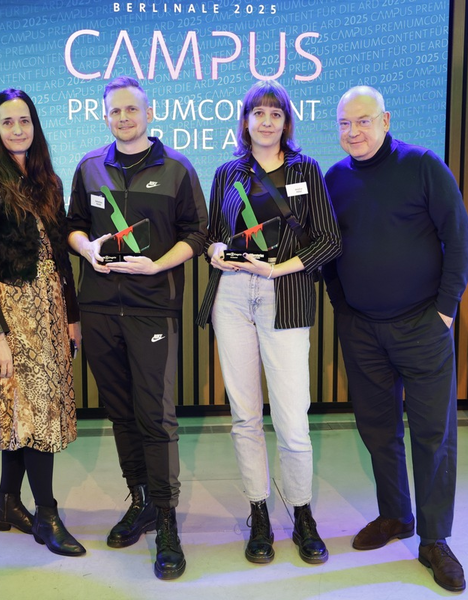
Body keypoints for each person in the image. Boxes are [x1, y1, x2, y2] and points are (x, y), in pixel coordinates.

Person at [322, 85, 468, 592]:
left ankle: (434, 539)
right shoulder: (334, 179)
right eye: (345, 124)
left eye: (363, 121)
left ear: (385, 120)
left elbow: (461, 239)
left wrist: (445, 312)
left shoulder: (423, 165)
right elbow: (329, 250)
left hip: (422, 326)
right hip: (361, 330)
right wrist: (344, 310)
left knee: (433, 435)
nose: (353, 132)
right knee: (377, 430)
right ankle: (396, 517)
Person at [67, 76, 207, 580]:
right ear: (105, 116)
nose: (123, 118)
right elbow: (73, 225)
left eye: (131, 110)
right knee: (122, 414)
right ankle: (143, 501)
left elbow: (197, 233)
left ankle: (167, 523)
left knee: (156, 416)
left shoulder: (177, 169)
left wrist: (156, 266)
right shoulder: (89, 167)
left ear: (149, 113)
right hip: (101, 307)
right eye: (114, 112)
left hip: (153, 307)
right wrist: (86, 248)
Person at [196, 80, 342, 565]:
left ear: (286, 122)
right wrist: (216, 252)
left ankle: (301, 513)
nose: (265, 121)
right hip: (233, 298)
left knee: (292, 416)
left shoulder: (306, 169)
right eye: (257, 112)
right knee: (245, 415)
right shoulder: (225, 173)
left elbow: (328, 240)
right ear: (244, 121)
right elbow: (214, 236)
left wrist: (278, 268)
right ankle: (258, 512)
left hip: (286, 293)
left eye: (274, 113)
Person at [0, 88, 85, 557]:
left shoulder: (46, 180)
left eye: (25, 121)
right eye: (8, 122)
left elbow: (58, 254)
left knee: (26, 411)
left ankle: (6, 504)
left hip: (51, 311)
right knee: (34, 415)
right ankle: (47, 516)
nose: (18, 130)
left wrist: (71, 316)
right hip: (12, 315)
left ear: (35, 125)